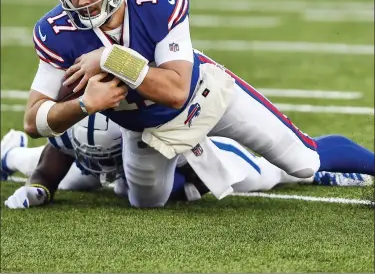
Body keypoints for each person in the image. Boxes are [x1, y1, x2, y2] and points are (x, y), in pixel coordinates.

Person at [22, 0, 374, 208]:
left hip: (201, 98)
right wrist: (85, 105)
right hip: (144, 132)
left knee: (304, 161)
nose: (81, 1)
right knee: (148, 202)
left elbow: (176, 91)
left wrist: (112, 59)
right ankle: (194, 168)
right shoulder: (56, 31)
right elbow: (33, 119)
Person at [2, 114, 373, 209]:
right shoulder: (72, 129)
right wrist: (38, 188)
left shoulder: (143, 124)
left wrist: (191, 188)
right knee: (82, 177)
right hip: (114, 167)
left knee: (272, 172)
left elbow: (177, 180)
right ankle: (10, 152)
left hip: (186, 153)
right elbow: (57, 154)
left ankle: (321, 172)